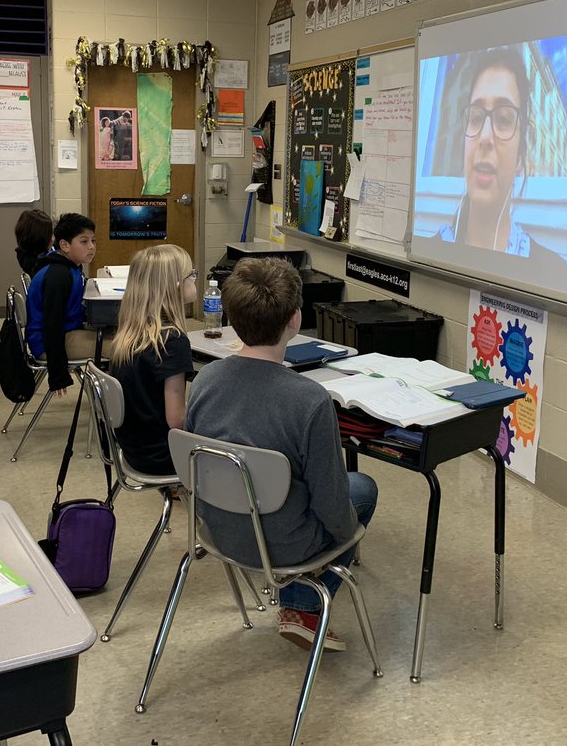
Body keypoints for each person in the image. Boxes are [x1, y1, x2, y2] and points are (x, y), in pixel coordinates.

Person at [185, 258, 377, 652]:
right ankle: (304, 604)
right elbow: (332, 502)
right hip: (285, 548)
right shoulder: (310, 400)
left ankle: (300, 604)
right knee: (363, 491)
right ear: (294, 320)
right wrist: (348, 537)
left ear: (232, 319)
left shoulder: (205, 380)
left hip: (217, 532)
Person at [435, 47, 567, 273]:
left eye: (504, 119)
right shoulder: (429, 254)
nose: (485, 137)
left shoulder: (555, 272)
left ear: (521, 154)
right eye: (476, 117)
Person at [107, 245, 197, 476]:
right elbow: (177, 419)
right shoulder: (172, 341)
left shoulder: (131, 334)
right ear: (175, 286)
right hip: (163, 456)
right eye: (191, 275)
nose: (195, 278)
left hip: (135, 449)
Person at [25, 213, 97, 395]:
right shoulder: (58, 276)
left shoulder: (70, 267)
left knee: (123, 335)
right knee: (125, 347)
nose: (91, 247)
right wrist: (58, 374)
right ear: (64, 245)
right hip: (49, 343)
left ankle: (108, 400)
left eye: (93, 241)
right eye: (84, 241)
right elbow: (52, 325)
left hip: (67, 331)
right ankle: (116, 406)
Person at [14, 208, 54, 279]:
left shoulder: (30, 253)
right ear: (39, 238)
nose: (52, 239)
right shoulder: (33, 263)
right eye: (49, 234)